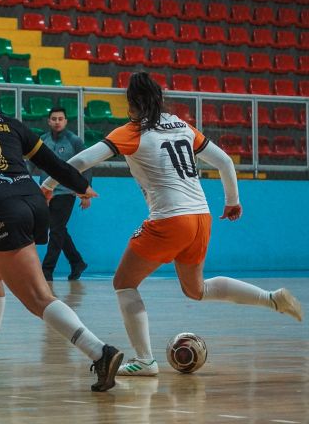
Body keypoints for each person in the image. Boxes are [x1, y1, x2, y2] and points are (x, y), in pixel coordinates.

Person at [42, 72, 303, 377]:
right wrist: (232, 201)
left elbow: (80, 161)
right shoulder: (182, 126)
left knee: (124, 283)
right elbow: (225, 162)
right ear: (160, 98)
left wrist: (48, 184)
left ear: (131, 104)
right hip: (201, 218)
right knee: (197, 289)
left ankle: (144, 360)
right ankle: (271, 298)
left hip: (170, 219)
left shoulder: (131, 131)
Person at [0, 71, 123, 392]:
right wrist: (81, 186)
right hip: (33, 204)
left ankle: (100, 352)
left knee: (37, 298)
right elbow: (52, 163)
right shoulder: (9, 122)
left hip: (0, 212)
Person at [32, 107, 90, 282]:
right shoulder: (42, 140)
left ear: (66, 121)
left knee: (56, 231)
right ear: (49, 121)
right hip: (46, 193)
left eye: (61, 119)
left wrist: (85, 192)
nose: (57, 121)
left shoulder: (75, 141)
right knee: (59, 230)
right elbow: (30, 162)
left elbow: (86, 165)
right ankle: (77, 261)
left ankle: (46, 272)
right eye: (54, 118)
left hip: (66, 192)